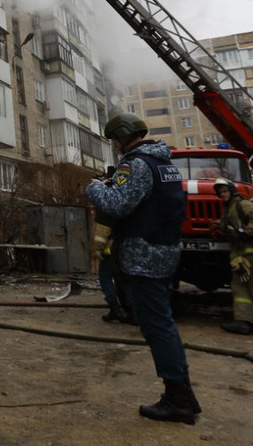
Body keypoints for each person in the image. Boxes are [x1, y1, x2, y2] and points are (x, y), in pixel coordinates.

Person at [86, 113, 199, 425]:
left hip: (144, 257)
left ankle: (177, 399)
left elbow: (117, 204)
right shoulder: (164, 164)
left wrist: (94, 188)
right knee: (164, 323)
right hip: (164, 252)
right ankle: (183, 394)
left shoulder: (135, 164)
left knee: (156, 326)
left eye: (115, 140)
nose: (115, 145)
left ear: (123, 137)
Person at [212, 178, 253, 336]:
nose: (223, 195)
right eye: (220, 193)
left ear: (232, 191)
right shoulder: (229, 209)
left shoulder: (242, 204)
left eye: (225, 191)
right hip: (238, 256)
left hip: (252, 254)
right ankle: (244, 322)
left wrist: (246, 233)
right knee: (239, 288)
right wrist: (217, 226)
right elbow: (227, 225)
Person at [94, 221, 133, 324]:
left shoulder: (107, 210)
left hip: (110, 251)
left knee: (104, 277)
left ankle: (114, 308)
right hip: (125, 248)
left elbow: (102, 231)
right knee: (122, 278)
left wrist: (97, 248)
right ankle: (131, 310)